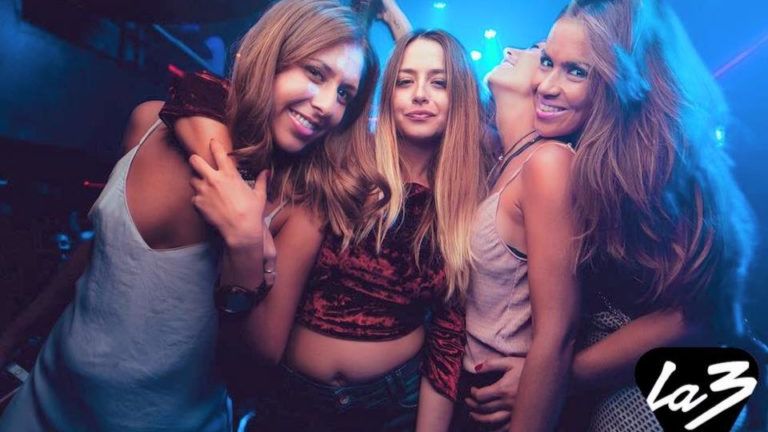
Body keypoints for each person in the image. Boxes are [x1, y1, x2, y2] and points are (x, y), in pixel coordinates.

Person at [0, 0, 380, 430]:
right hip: (45, 399)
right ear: (270, 58)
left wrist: (244, 248)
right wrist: (16, 332)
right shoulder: (147, 122)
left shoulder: (301, 210)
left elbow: (254, 369)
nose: (327, 104)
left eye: (345, 94)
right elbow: (99, 253)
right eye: (315, 73)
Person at [463, 0, 760, 430]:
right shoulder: (572, 147)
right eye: (547, 62)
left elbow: (696, 316)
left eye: (576, 71)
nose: (546, 85)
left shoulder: (657, 159)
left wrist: (553, 379)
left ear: (622, 79)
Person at [450, 43, 580, 432]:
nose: (510, 49)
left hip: (501, 397)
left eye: (536, 52)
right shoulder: (504, 158)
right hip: (467, 385)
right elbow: (444, 92)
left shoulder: (549, 163)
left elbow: (558, 332)